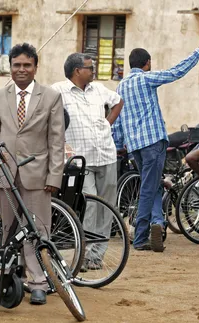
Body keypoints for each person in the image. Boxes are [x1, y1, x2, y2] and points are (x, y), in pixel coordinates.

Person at [115, 34, 199, 252]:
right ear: (147, 63)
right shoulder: (146, 79)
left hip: (134, 147)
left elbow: (118, 117)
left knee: (154, 184)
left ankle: (158, 223)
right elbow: (175, 72)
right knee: (149, 188)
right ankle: (140, 237)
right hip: (152, 143)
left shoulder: (121, 86)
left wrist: (118, 143)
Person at [0, 43, 65, 305]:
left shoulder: (50, 96)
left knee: (38, 229)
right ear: (10, 67)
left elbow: (56, 141)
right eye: (17, 65)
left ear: (35, 68)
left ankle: (38, 282)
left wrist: (54, 177)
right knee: (8, 231)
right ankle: (6, 280)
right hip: (6, 176)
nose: (21, 70)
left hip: (38, 175)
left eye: (26, 65)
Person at [52, 53, 124, 271]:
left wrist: (107, 123)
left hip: (106, 155)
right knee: (90, 205)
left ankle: (96, 256)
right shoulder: (57, 91)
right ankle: (83, 253)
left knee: (107, 207)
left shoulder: (99, 89)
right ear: (77, 71)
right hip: (80, 160)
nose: (92, 71)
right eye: (89, 68)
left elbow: (118, 101)